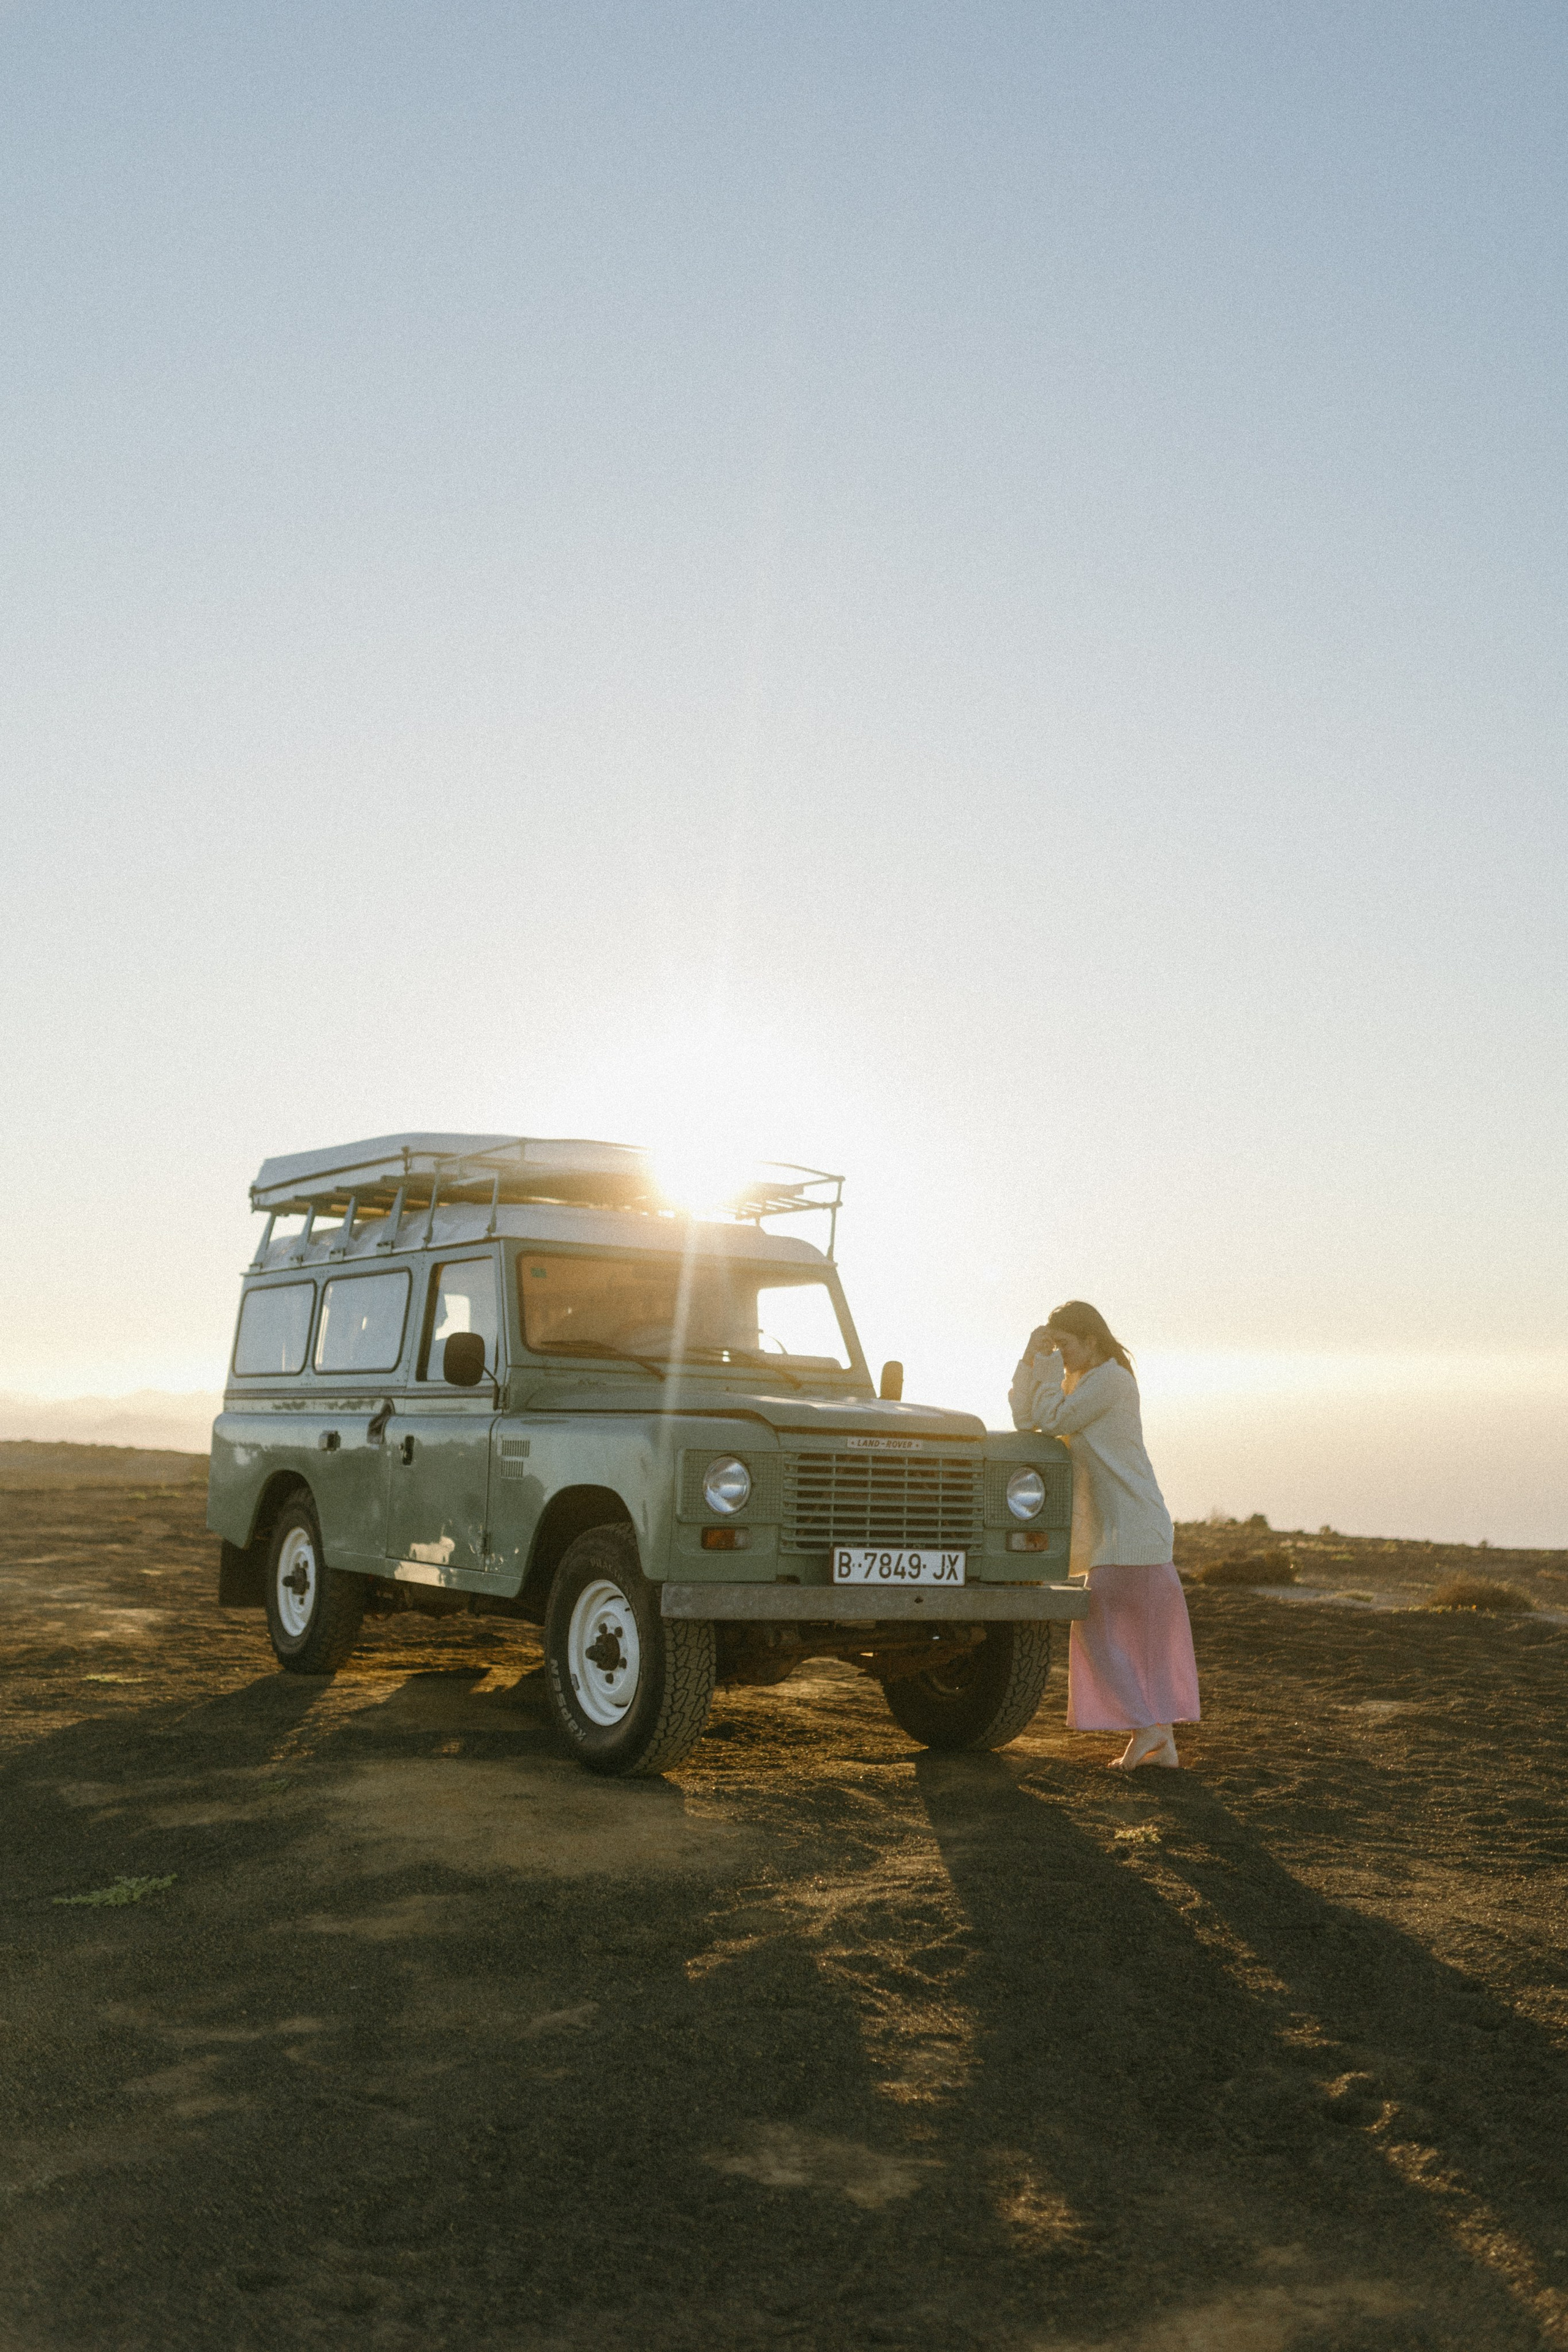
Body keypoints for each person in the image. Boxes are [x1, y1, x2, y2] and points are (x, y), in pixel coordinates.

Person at [1009, 1300, 1199, 1768]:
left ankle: (1149, 1728)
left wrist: (1048, 1367)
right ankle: (1162, 1745)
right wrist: (1029, 1360)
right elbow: (1025, 1418)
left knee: (1095, 1630)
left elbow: (1052, 1421)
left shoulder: (1111, 1380)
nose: (1063, 1354)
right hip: (1123, 1533)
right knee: (1142, 1642)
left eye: (1067, 1345)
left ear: (1092, 1339)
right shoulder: (1082, 1381)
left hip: (1134, 1530)